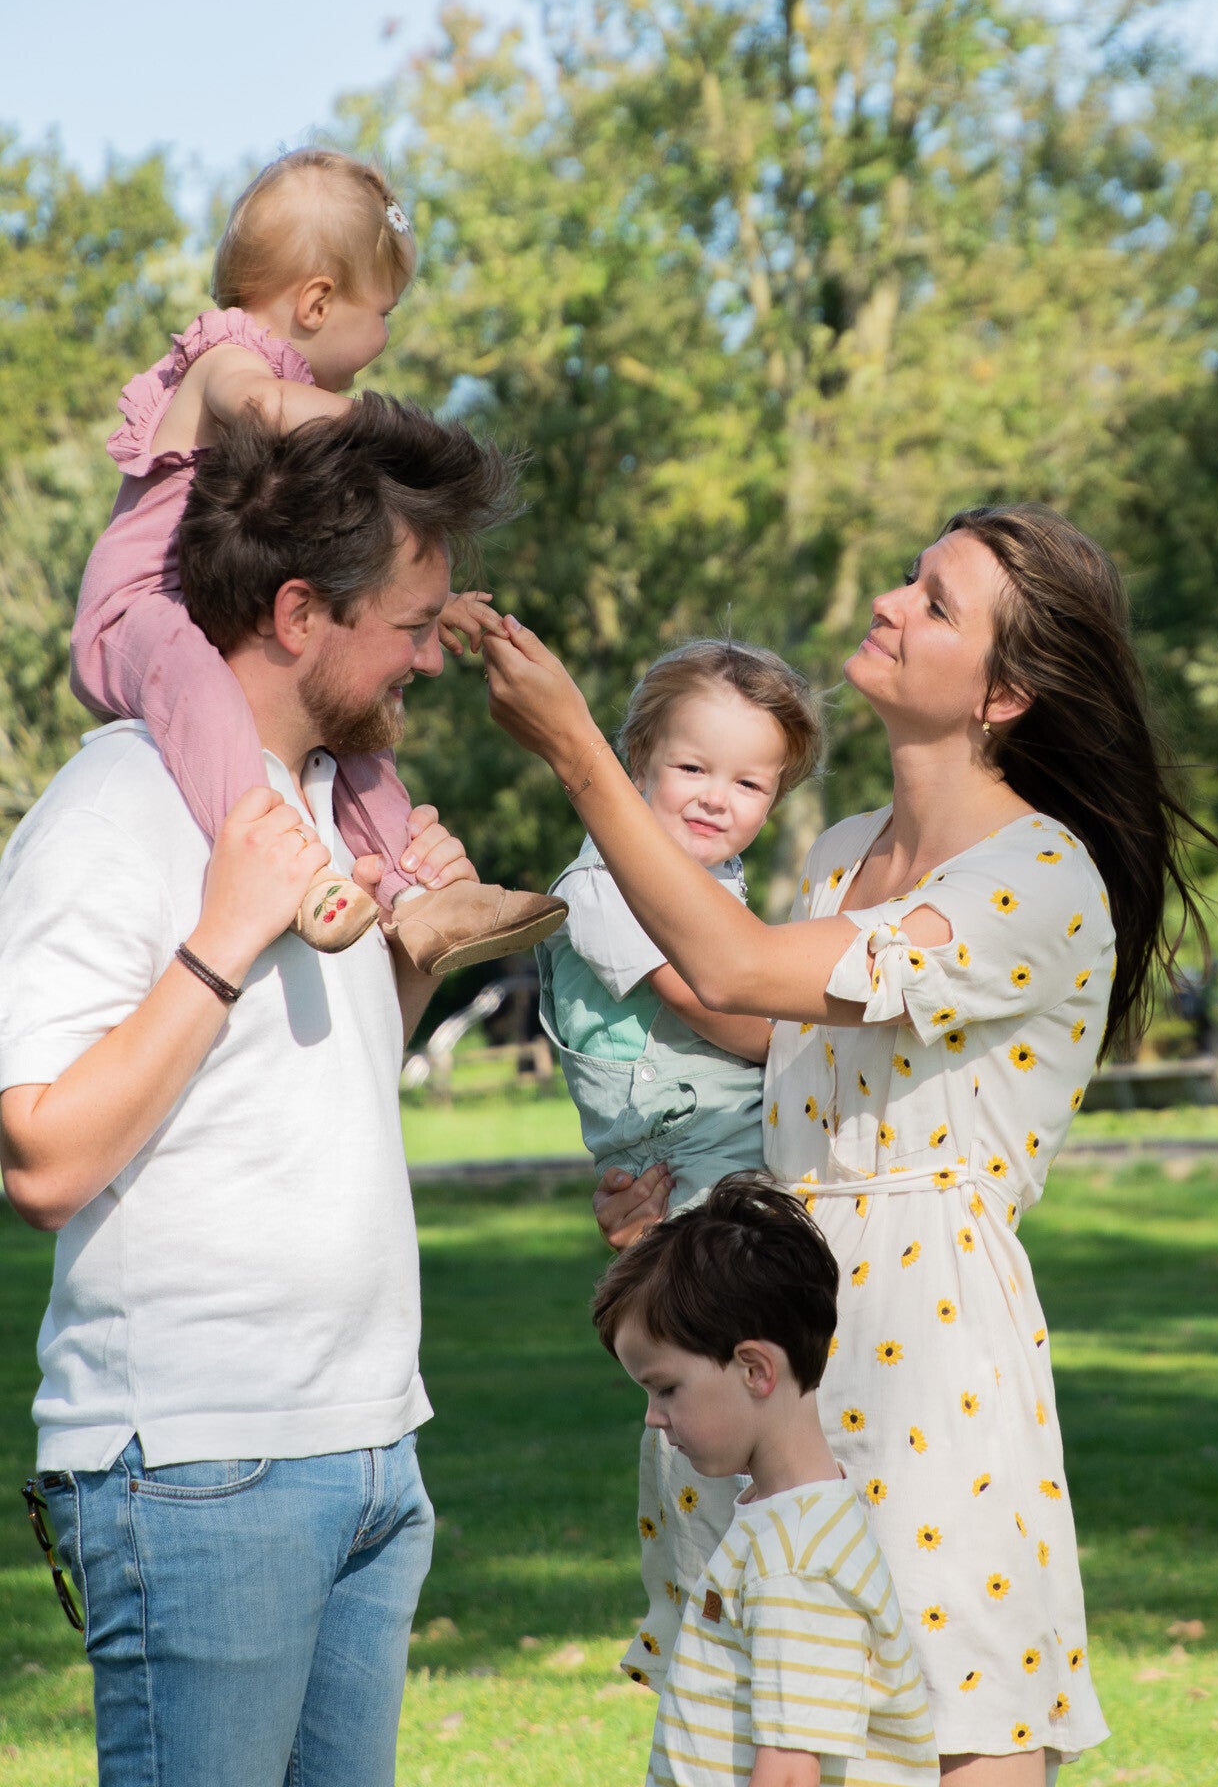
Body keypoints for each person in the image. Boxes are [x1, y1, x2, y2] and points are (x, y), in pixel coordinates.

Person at [480, 502, 1218, 1783]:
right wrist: (676, 1219)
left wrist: (577, 750)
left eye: (935, 603)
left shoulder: (1039, 876)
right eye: (908, 579)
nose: (888, 602)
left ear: (1007, 692)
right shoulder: (833, 856)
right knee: (743, 1723)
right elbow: (781, 1087)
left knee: (949, 1708)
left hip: (927, 1353)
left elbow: (729, 965)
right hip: (763, 1330)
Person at [0, 395, 517, 1785]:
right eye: (413, 623)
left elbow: (292, 1089)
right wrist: (225, 933)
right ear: (298, 613)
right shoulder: (117, 805)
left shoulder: (327, 804)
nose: (432, 656)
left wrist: (415, 965)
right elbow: (40, 1161)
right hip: (197, 1467)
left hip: (368, 1451)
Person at [69, 146, 564, 974]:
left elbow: (323, 566)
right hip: (136, 615)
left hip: (221, 597)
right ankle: (276, 862)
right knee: (201, 690)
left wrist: (425, 608)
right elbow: (261, 408)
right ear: (317, 301)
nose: (384, 338)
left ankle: (416, 894)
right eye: (385, 313)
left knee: (353, 717)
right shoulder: (226, 358)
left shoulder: (282, 382)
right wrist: (383, 431)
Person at [542, 639, 822, 1682]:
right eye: (692, 768)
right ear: (632, 757)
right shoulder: (611, 879)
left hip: (729, 1162)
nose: (717, 798)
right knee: (717, 1392)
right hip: (703, 1174)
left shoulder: (713, 877)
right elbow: (735, 1013)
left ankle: (767, 1624)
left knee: (773, 1387)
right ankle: (709, 1636)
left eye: (750, 781)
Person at [593, 1173, 938, 1787]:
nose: (654, 1416)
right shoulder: (782, 1520)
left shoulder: (796, 1565)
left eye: (666, 1387)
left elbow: (788, 1775)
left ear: (754, 1370)